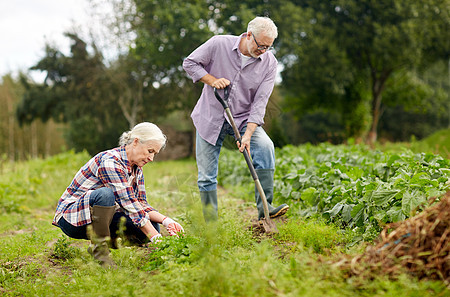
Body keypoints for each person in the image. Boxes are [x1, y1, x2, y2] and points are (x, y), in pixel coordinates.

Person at [183, 16, 289, 221]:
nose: (264, 51)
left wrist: (248, 134)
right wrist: (212, 80)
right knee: (206, 176)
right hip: (210, 116)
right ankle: (211, 224)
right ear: (249, 35)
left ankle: (265, 209)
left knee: (265, 147)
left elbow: (260, 102)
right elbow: (190, 63)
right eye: (261, 46)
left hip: (242, 118)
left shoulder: (269, 63)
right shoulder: (218, 44)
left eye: (269, 47)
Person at [52, 122, 184, 267]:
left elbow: (140, 204)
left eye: (155, 154)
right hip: (71, 217)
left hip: (97, 217)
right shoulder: (110, 161)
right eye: (150, 151)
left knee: (151, 226)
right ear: (135, 142)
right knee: (105, 195)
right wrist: (158, 240)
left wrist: (166, 221)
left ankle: (102, 240)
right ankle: (100, 253)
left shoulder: (136, 169)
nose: (151, 158)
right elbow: (129, 205)